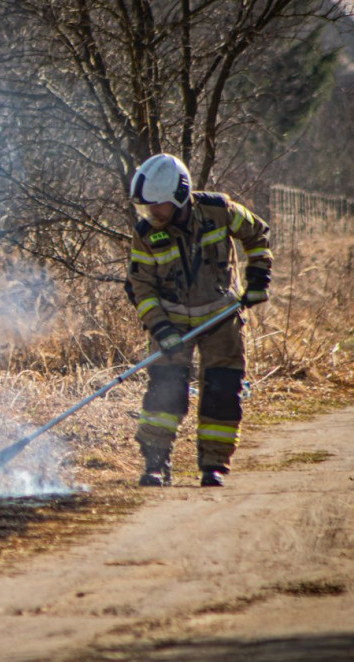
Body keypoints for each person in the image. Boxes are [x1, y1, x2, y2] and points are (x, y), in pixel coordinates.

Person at [124, 153, 272, 487]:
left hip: (221, 318)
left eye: (157, 206)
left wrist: (258, 280)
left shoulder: (220, 211)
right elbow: (141, 286)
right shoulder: (146, 232)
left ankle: (213, 465)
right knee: (165, 392)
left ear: (179, 195)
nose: (152, 214)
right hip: (171, 325)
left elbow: (257, 235)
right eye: (147, 208)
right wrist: (161, 329)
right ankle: (156, 464)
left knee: (221, 390)